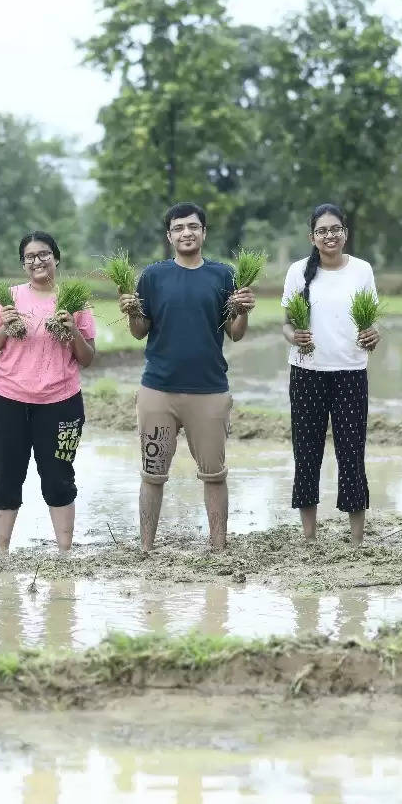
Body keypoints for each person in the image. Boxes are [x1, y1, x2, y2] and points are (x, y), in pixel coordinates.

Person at [117, 202, 255, 552]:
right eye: (178, 228)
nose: (186, 233)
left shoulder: (223, 276)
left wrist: (242, 311)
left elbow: (236, 333)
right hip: (158, 391)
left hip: (208, 391)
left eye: (193, 227)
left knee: (214, 473)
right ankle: (146, 548)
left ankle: (219, 549)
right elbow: (139, 331)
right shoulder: (153, 276)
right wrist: (132, 311)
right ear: (169, 236)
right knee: (152, 474)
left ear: (204, 232)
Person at [0, 231, 96, 552]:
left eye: (44, 254)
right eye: (30, 257)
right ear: (23, 264)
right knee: (6, 476)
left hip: (62, 404)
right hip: (6, 402)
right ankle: (2, 553)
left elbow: (87, 358)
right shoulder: (8, 299)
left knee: (59, 477)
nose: (37, 261)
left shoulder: (74, 301)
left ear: (56, 258)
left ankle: (64, 553)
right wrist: (6, 325)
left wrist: (72, 330)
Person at [280, 204, 381, 545]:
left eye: (335, 229)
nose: (329, 235)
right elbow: (286, 324)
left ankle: (356, 539)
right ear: (312, 237)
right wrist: (293, 336)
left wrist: (373, 334)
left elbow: (370, 321)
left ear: (345, 233)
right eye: (322, 231)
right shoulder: (297, 271)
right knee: (306, 452)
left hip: (351, 372)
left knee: (351, 453)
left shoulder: (362, 270)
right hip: (307, 372)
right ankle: (309, 536)